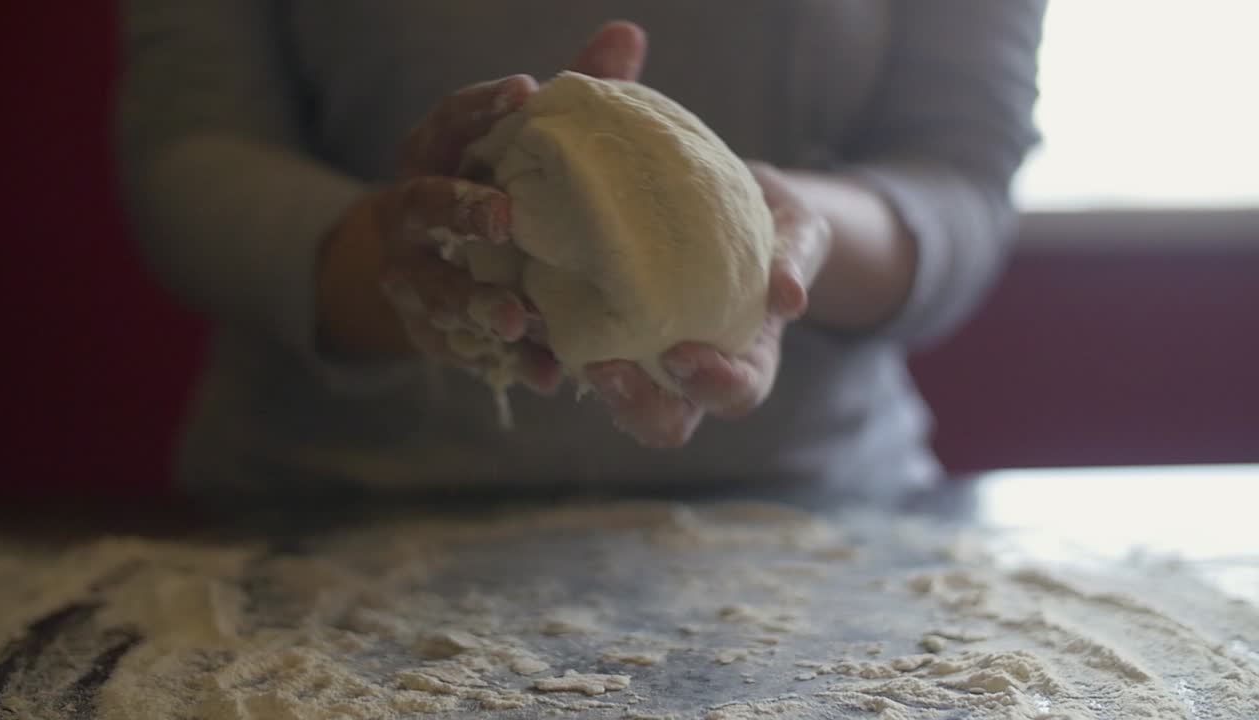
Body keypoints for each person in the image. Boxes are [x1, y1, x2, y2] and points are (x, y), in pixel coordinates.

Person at [117, 1, 1045, 500]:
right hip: (329, 507)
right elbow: (190, 152)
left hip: (805, 518)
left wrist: (788, 235)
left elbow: (959, 173)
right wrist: (393, 264)